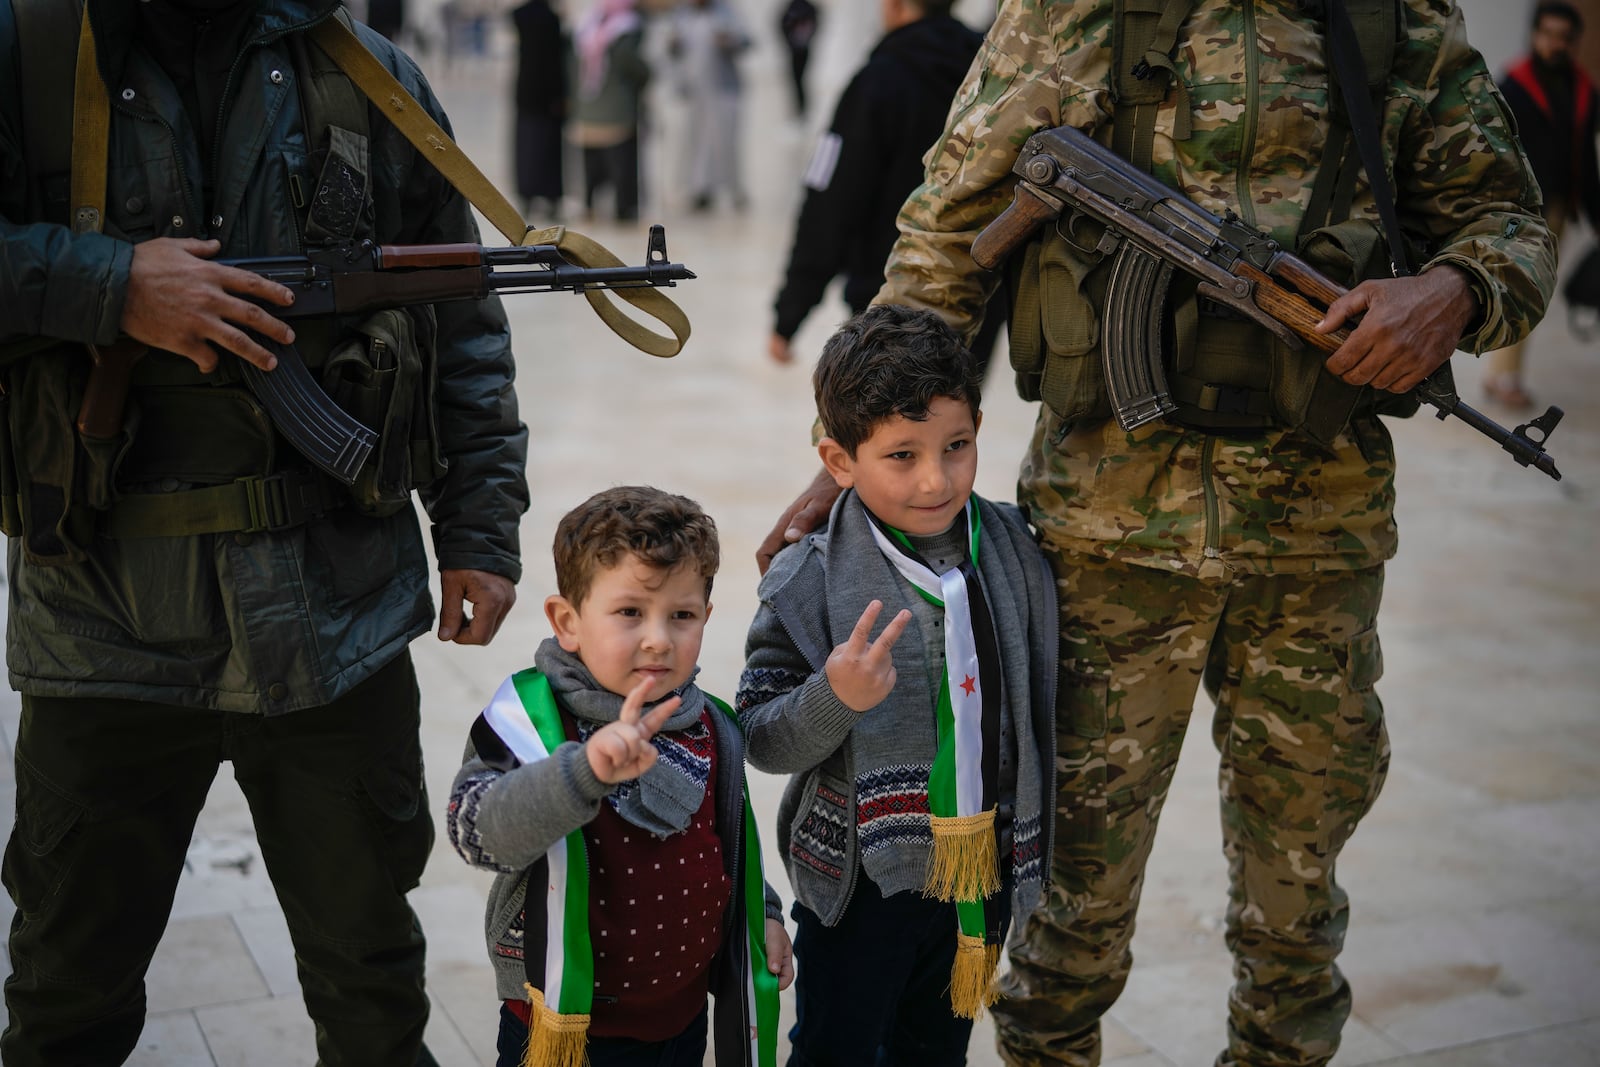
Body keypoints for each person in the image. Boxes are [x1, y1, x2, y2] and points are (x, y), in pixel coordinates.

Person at [757, 3, 1556, 1066]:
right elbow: (948, 231)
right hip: (1100, 540)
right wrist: (860, 457)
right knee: (1066, 901)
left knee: (1297, 908)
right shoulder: (1075, 8)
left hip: (1316, 532)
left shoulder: (1392, 15)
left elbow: (1508, 224)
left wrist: (1450, 294)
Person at [0, 2, 530, 1064]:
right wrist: (114, 286)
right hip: (103, 619)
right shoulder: (28, 52)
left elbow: (458, 313)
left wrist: (479, 523)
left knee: (373, 989)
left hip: (336, 615)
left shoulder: (367, 76)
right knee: (67, 998)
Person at [737, 305, 1057, 1065]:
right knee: (836, 1049)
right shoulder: (807, 578)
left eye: (957, 446)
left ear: (980, 422)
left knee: (936, 1049)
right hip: (858, 888)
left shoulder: (1013, 550)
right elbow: (758, 733)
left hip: (980, 876)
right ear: (839, 460)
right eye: (901, 456)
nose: (936, 478)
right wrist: (834, 697)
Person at [446, 485, 794, 1067]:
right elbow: (474, 831)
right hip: (563, 1027)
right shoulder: (530, 719)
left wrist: (767, 915)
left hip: (681, 1019)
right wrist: (582, 774)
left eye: (681, 615)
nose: (659, 638)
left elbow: (727, 843)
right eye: (630, 611)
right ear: (568, 620)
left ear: (705, 618)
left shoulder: (711, 724)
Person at [767, 0, 1008, 378]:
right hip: (978, 297)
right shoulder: (994, 75)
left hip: (890, 302)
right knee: (954, 427)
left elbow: (829, 201)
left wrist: (789, 314)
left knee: (886, 431)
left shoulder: (876, 82)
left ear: (895, 5)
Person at [1485, 0, 1600, 410]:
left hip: (1557, 210)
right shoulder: (1514, 85)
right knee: (1521, 286)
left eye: (1565, 38)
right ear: (1535, 34)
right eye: (1549, 34)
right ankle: (1505, 376)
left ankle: (1501, 373)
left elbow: (1584, 159)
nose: (1556, 44)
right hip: (1519, 208)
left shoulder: (1583, 91)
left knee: (1533, 290)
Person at [570, 0, 651, 222]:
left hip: (588, 107)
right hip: (617, 110)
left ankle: (589, 205)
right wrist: (647, 74)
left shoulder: (586, 24)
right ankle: (624, 209)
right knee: (621, 164)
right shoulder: (628, 26)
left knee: (591, 164)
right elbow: (632, 65)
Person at [670, 0, 752, 212]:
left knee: (724, 143)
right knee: (696, 144)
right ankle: (701, 191)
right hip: (694, 91)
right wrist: (673, 45)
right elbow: (671, 50)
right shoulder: (682, 14)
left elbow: (747, 40)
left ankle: (734, 190)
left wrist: (729, 41)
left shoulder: (726, 12)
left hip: (722, 90)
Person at [512, 0, 568, 222]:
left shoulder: (520, 16)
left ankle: (527, 196)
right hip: (549, 97)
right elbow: (555, 62)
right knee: (548, 149)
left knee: (527, 148)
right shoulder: (551, 19)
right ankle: (551, 198)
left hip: (526, 93)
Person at [776, 0, 818, 119]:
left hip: (803, 50)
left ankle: (803, 109)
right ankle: (797, 109)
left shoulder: (808, 8)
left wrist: (805, 39)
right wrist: (790, 42)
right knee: (794, 80)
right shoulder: (792, 7)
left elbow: (814, 25)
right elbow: (782, 24)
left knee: (801, 79)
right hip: (794, 50)